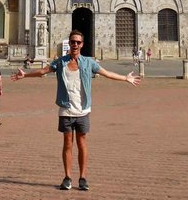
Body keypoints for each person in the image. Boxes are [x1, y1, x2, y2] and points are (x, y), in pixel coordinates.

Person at [11, 29, 141, 192]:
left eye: (78, 42)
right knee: (67, 144)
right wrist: (25, 75)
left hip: (83, 110)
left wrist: (125, 78)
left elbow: (106, 73)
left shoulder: (88, 62)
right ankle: (67, 177)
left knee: (82, 144)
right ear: (69, 43)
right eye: (73, 42)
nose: (75, 44)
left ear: (82, 45)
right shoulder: (60, 62)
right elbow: (43, 72)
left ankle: (83, 177)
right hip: (66, 109)